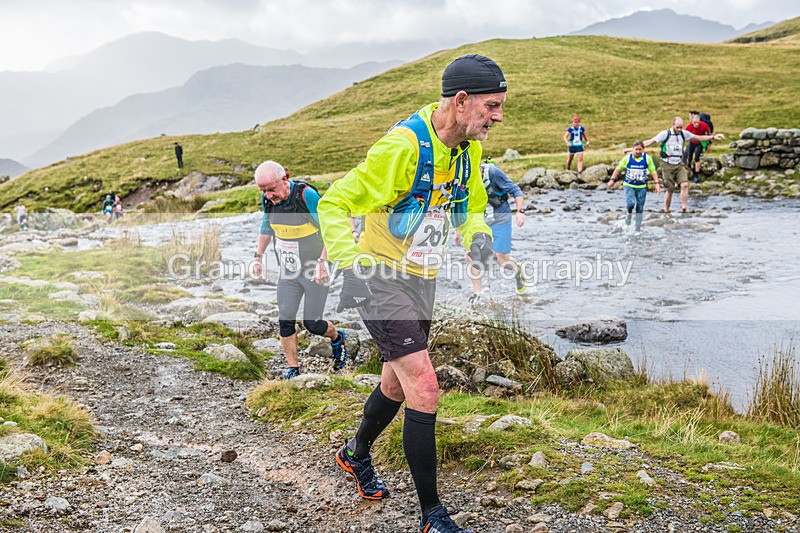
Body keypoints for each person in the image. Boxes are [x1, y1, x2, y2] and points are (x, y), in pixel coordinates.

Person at [318, 53, 505, 533]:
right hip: (378, 276)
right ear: (461, 101)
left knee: (397, 384)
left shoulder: (468, 150)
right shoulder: (401, 149)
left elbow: (470, 207)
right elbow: (334, 203)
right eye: (492, 106)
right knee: (425, 387)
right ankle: (432, 516)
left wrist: (478, 236)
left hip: (423, 276)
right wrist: (349, 263)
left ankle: (355, 453)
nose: (499, 116)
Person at [252, 160, 348, 379]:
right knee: (285, 319)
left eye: (271, 189)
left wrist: (323, 262)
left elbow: (331, 229)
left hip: (315, 268)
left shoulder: (306, 196)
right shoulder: (269, 200)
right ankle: (293, 369)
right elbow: (266, 227)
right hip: (289, 269)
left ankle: (338, 337)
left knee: (312, 323)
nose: (268, 195)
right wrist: (258, 257)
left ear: (285, 178)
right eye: (263, 191)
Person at [459, 159, 527, 302]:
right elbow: (461, 204)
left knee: (501, 259)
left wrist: (520, 211)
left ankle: (518, 270)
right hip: (479, 221)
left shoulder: (493, 173)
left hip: (500, 219)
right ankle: (477, 294)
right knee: (471, 255)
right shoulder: (464, 178)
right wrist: (458, 230)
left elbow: (516, 190)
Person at [637, 117, 724, 214]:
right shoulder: (665, 134)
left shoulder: (684, 134)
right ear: (673, 125)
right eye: (677, 127)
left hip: (679, 164)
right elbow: (650, 141)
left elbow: (698, 138)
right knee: (670, 189)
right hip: (667, 164)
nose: (679, 129)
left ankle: (684, 209)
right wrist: (635, 148)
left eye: (681, 127)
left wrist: (713, 137)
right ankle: (667, 210)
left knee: (685, 185)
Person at [608, 140, 661, 233]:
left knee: (640, 207)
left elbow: (653, 171)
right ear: (632, 149)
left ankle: (637, 229)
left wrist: (657, 184)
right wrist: (612, 180)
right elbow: (618, 169)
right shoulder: (627, 158)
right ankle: (628, 215)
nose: (638, 152)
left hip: (641, 186)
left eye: (640, 149)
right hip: (629, 185)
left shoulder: (647, 158)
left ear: (643, 150)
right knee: (631, 203)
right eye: (636, 149)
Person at [684, 111, 711, 183]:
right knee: (689, 157)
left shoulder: (704, 125)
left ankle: (696, 175)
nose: (696, 124)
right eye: (694, 123)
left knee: (697, 157)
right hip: (692, 142)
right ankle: (689, 171)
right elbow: (683, 135)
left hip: (700, 142)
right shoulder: (689, 126)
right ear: (692, 122)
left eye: (697, 123)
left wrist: (709, 145)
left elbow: (709, 134)